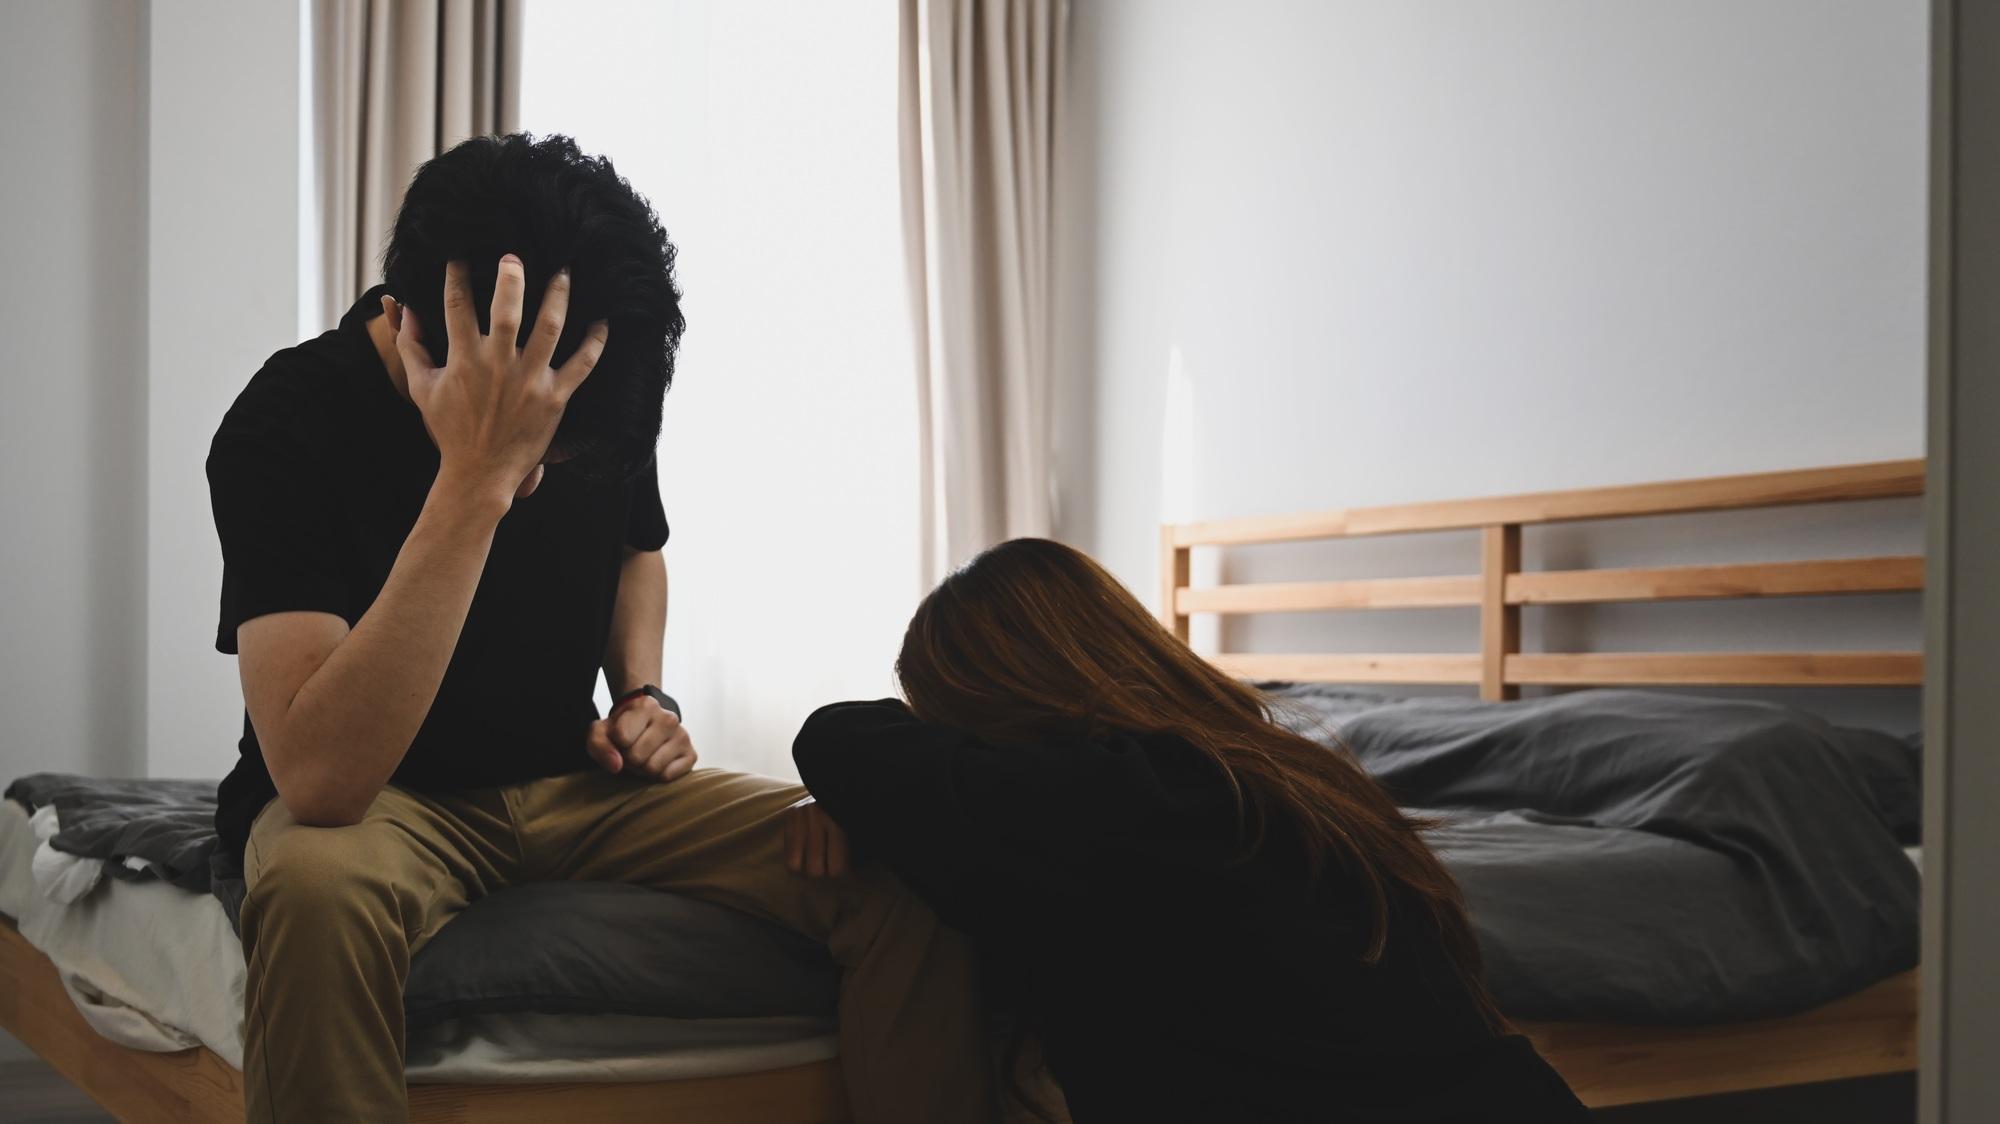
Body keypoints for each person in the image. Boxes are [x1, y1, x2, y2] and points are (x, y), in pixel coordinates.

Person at [208, 133, 991, 1123]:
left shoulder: (588, 367)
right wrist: (477, 479)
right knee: (312, 897)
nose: (542, 478)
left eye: (554, 456)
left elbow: (635, 549)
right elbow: (319, 778)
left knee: (909, 862)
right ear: (411, 326)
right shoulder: (286, 421)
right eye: (534, 456)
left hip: (576, 781)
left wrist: (641, 691)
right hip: (381, 809)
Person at [787, 538, 1592, 1123]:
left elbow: (838, 737)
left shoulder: (1127, 803)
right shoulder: (1271, 777)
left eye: (947, 715)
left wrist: (877, 789)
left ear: (999, 700)